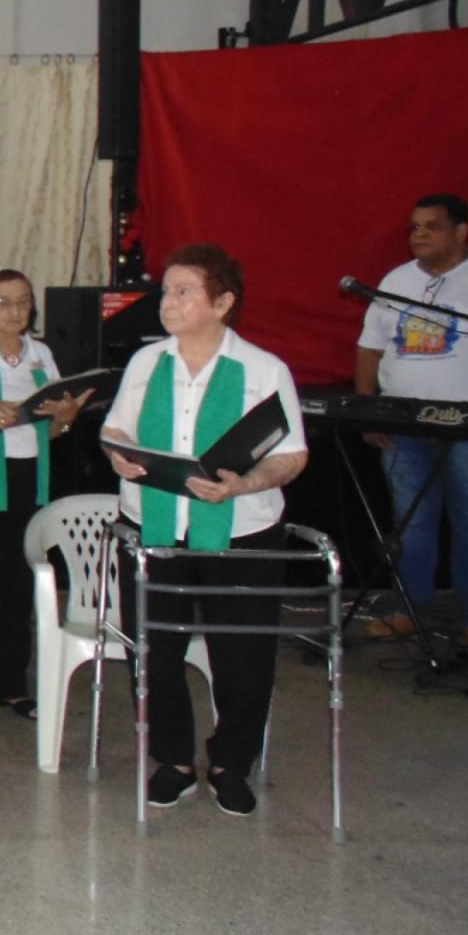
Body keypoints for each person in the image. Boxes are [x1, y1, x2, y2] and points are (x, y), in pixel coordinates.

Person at [103, 244, 308, 818]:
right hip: (155, 528)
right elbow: (116, 427)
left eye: (183, 292)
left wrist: (245, 484)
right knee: (154, 653)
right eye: (166, 291)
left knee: (243, 657)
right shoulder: (147, 363)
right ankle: (172, 760)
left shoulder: (264, 369)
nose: (167, 303)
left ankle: (230, 763)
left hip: (241, 533)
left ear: (222, 303)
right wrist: (119, 454)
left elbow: (292, 454)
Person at [0, 269, 87, 732]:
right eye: (2, 302)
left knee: (21, 579)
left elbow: (54, 430)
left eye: (23, 302)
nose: (14, 311)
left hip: (30, 473)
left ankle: (11, 684)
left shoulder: (41, 353)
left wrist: (65, 417)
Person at [355, 193, 468, 650]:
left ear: (461, 232)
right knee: (409, 522)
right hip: (404, 426)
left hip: (465, 426)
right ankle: (408, 610)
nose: (419, 234)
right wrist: (369, 409)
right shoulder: (396, 281)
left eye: (431, 226)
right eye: (415, 227)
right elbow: (369, 348)